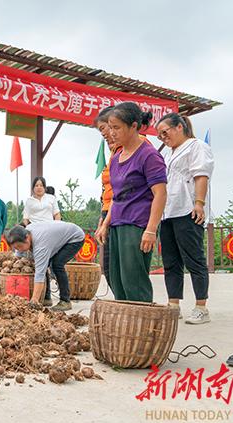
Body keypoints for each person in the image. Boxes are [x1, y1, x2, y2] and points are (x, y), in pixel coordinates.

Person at [96, 102, 167, 303]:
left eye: (116, 127)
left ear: (134, 126)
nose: (112, 132)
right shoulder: (117, 156)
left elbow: (160, 193)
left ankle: (144, 327)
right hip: (117, 223)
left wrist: (151, 229)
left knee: (134, 280)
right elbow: (116, 196)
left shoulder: (149, 155)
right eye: (110, 127)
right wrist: (105, 224)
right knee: (117, 279)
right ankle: (126, 327)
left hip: (137, 224)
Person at [157, 113, 214, 324]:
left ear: (179, 127)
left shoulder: (196, 146)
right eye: (159, 135)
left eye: (166, 132)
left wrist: (199, 203)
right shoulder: (168, 154)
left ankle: (201, 307)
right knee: (171, 261)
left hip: (187, 210)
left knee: (194, 259)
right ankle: (173, 305)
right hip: (168, 212)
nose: (163, 137)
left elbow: (201, 175)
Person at [5, 222, 85, 311]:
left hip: (74, 237)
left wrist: (34, 300)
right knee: (44, 264)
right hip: (55, 237)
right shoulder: (25, 232)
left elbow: (40, 273)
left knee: (57, 264)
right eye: (16, 248)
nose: (19, 249)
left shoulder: (40, 246)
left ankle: (65, 301)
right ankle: (46, 298)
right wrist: (13, 263)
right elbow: (18, 254)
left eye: (20, 246)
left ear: (27, 237)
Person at [94, 106, 120, 293]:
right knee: (109, 265)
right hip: (109, 211)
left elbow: (121, 191)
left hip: (123, 212)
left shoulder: (137, 147)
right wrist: (102, 220)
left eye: (105, 127)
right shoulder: (113, 153)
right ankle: (121, 301)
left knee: (123, 266)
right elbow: (109, 192)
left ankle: (131, 304)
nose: (105, 133)